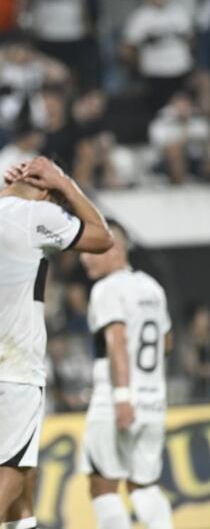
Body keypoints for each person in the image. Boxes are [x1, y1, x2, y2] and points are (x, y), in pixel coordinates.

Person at [0, 156, 113, 529]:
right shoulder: (35, 217)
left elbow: (7, 221)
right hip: (14, 367)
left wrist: (27, 187)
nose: (61, 209)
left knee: (22, 478)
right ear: (45, 192)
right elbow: (103, 236)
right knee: (4, 484)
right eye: (57, 200)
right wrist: (66, 182)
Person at [79, 220, 174, 529]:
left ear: (115, 248)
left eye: (92, 250)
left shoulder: (107, 288)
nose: (84, 258)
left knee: (103, 487)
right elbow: (167, 341)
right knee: (142, 486)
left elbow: (116, 340)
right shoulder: (151, 287)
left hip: (116, 401)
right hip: (153, 402)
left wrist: (122, 397)